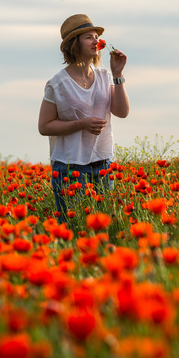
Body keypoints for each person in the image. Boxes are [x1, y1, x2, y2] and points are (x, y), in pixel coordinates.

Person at [38, 14, 130, 222]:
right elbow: (44, 126)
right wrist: (81, 124)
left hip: (103, 163)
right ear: (74, 44)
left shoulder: (105, 76)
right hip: (69, 167)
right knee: (74, 227)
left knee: (105, 227)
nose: (96, 41)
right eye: (89, 37)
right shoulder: (58, 84)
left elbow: (122, 112)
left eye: (96, 36)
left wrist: (118, 74)